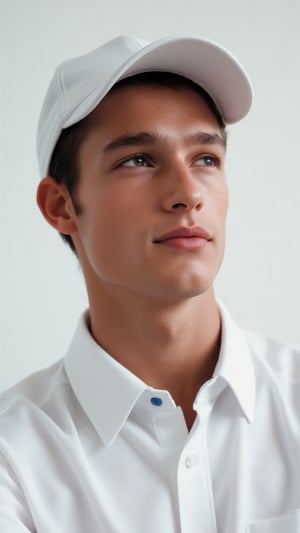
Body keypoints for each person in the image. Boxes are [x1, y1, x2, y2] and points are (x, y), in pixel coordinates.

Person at [1, 33, 300, 533]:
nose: (188, 193)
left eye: (206, 158)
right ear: (61, 206)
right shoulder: (13, 457)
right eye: (138, 160)